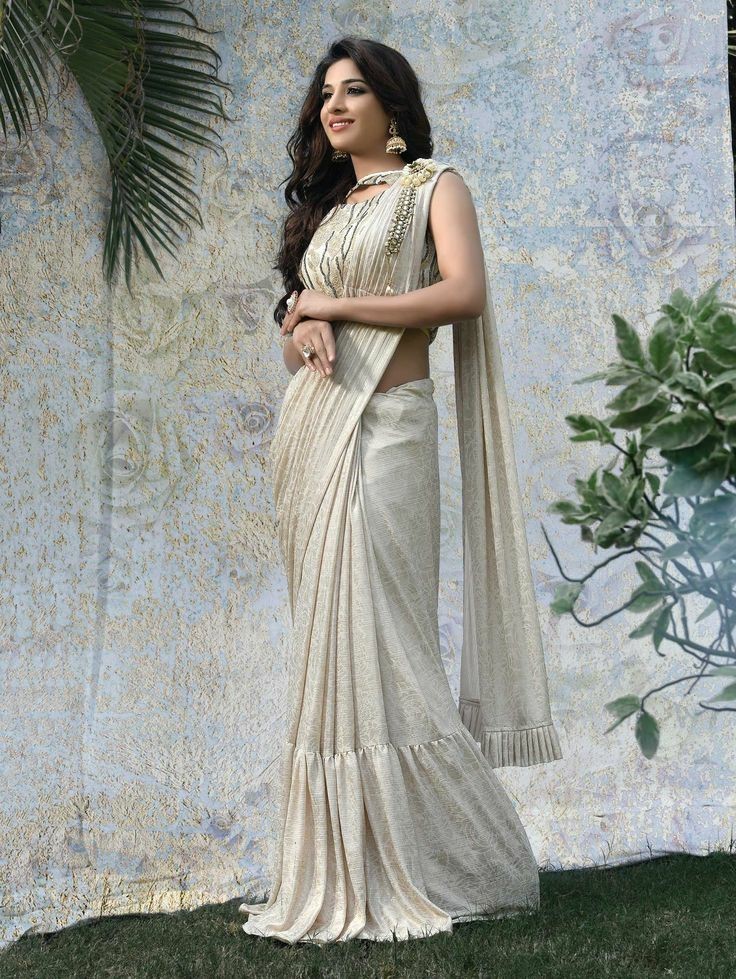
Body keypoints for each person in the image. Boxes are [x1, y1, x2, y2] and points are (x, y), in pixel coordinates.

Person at [239, 35, 563, 946]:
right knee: (330, 641)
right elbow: (297, 335)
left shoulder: (433, 188)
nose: (333, 106)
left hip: (389, 427)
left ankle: (458, 861)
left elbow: (463, 294)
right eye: (325, 96)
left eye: (352, 91)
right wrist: (302, 330)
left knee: (386, 634)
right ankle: (349, 863)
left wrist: (332, 307)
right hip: (312, 434)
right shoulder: (328, 210)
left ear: (391, 103)